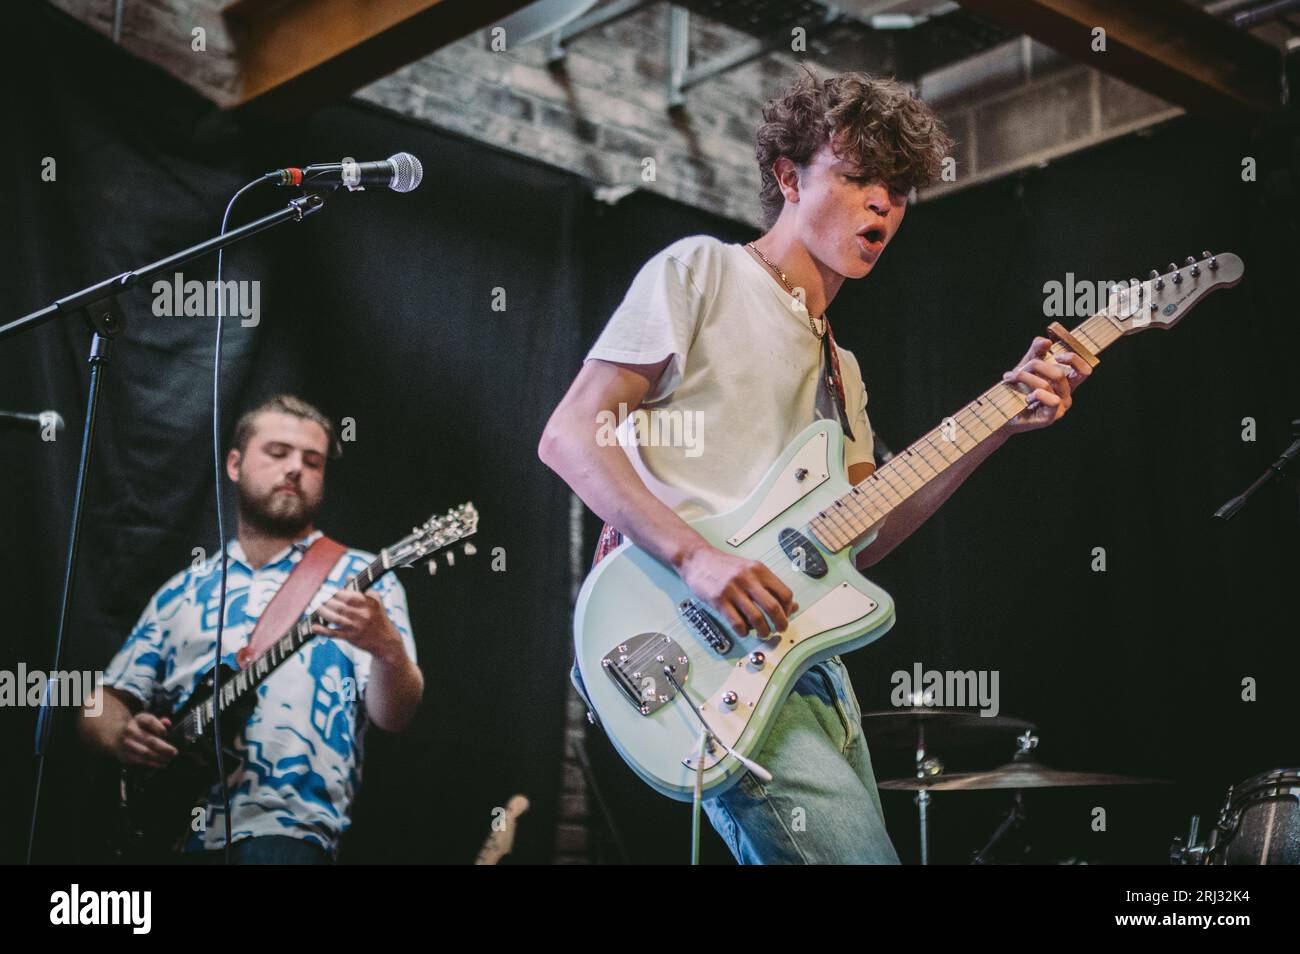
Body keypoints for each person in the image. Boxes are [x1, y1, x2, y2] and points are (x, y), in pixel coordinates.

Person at [538, 71, 1091, 864]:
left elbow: (857, 539)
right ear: (789, 177)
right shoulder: (701, 272)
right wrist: (697, 556)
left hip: (807, 666)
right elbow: (569, 434)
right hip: (691, 641)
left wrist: (999, 421)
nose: (882, 206)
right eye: (859, 175)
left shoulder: (846, 370)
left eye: (898, 190)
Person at [80, 394, 423, 863]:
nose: (295, 469)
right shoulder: (184, 589)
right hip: (165, 834)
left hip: (287, 831)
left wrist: (387, 649)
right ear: (235, 464)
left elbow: (394, 716)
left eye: (313, 460)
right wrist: (122, 733)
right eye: (278, 452)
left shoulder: (362, 579)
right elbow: (101, 702)